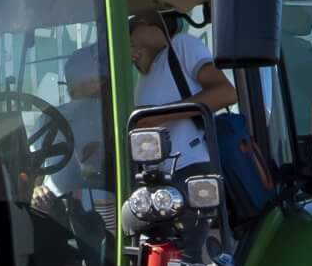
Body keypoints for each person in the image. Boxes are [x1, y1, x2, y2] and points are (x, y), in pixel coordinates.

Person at [69, 11, 236, 170]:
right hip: (158, 175)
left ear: (155, 27)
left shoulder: (181, 45)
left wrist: (160, 116)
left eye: (135, 27)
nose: (129, 36)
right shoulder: (138, 84)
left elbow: (227, 93)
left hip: (192, 166)